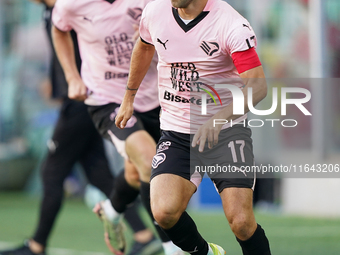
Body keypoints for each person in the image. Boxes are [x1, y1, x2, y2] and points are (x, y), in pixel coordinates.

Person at [0, 1, 162, 255]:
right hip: (89, 100)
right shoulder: (61, 10)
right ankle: (142, 233)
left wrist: (74, 80)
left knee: (54, 171)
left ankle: (37, 245)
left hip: (89, 103)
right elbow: (60, 35)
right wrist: (67, 80)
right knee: (103, 172)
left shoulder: (76, 6)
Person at [115, 0, 272, 254]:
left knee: (241, 222)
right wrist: (129, 97)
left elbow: (258, 87)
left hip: (226, 133)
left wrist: (218, 120)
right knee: (164, 212)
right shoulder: (155, 11)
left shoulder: (231, 24)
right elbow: (144, 48)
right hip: (177, 133)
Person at [50, 0, 183, 254]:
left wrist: (158, 32)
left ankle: (111, 211)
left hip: (155, 95)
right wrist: (71, 76)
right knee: (148, 160)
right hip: (107, 98)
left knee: (136, 174)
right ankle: (171, 245)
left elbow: (180, 21)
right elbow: (58, 29)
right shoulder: (71, 4)